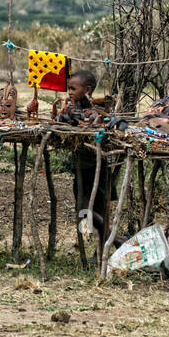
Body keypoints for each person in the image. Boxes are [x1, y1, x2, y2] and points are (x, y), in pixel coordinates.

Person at [54, 69, 113, 245]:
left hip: (98, 166)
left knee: (98, 208)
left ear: (87, 90)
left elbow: (99, 124)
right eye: (68, 89)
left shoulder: (97, 109)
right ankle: (114, 239)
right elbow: (60, 119)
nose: (69, 92)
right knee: (82, 207)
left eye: (73, 89)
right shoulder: (72, 107)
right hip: (81, 166)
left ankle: (106, 244)